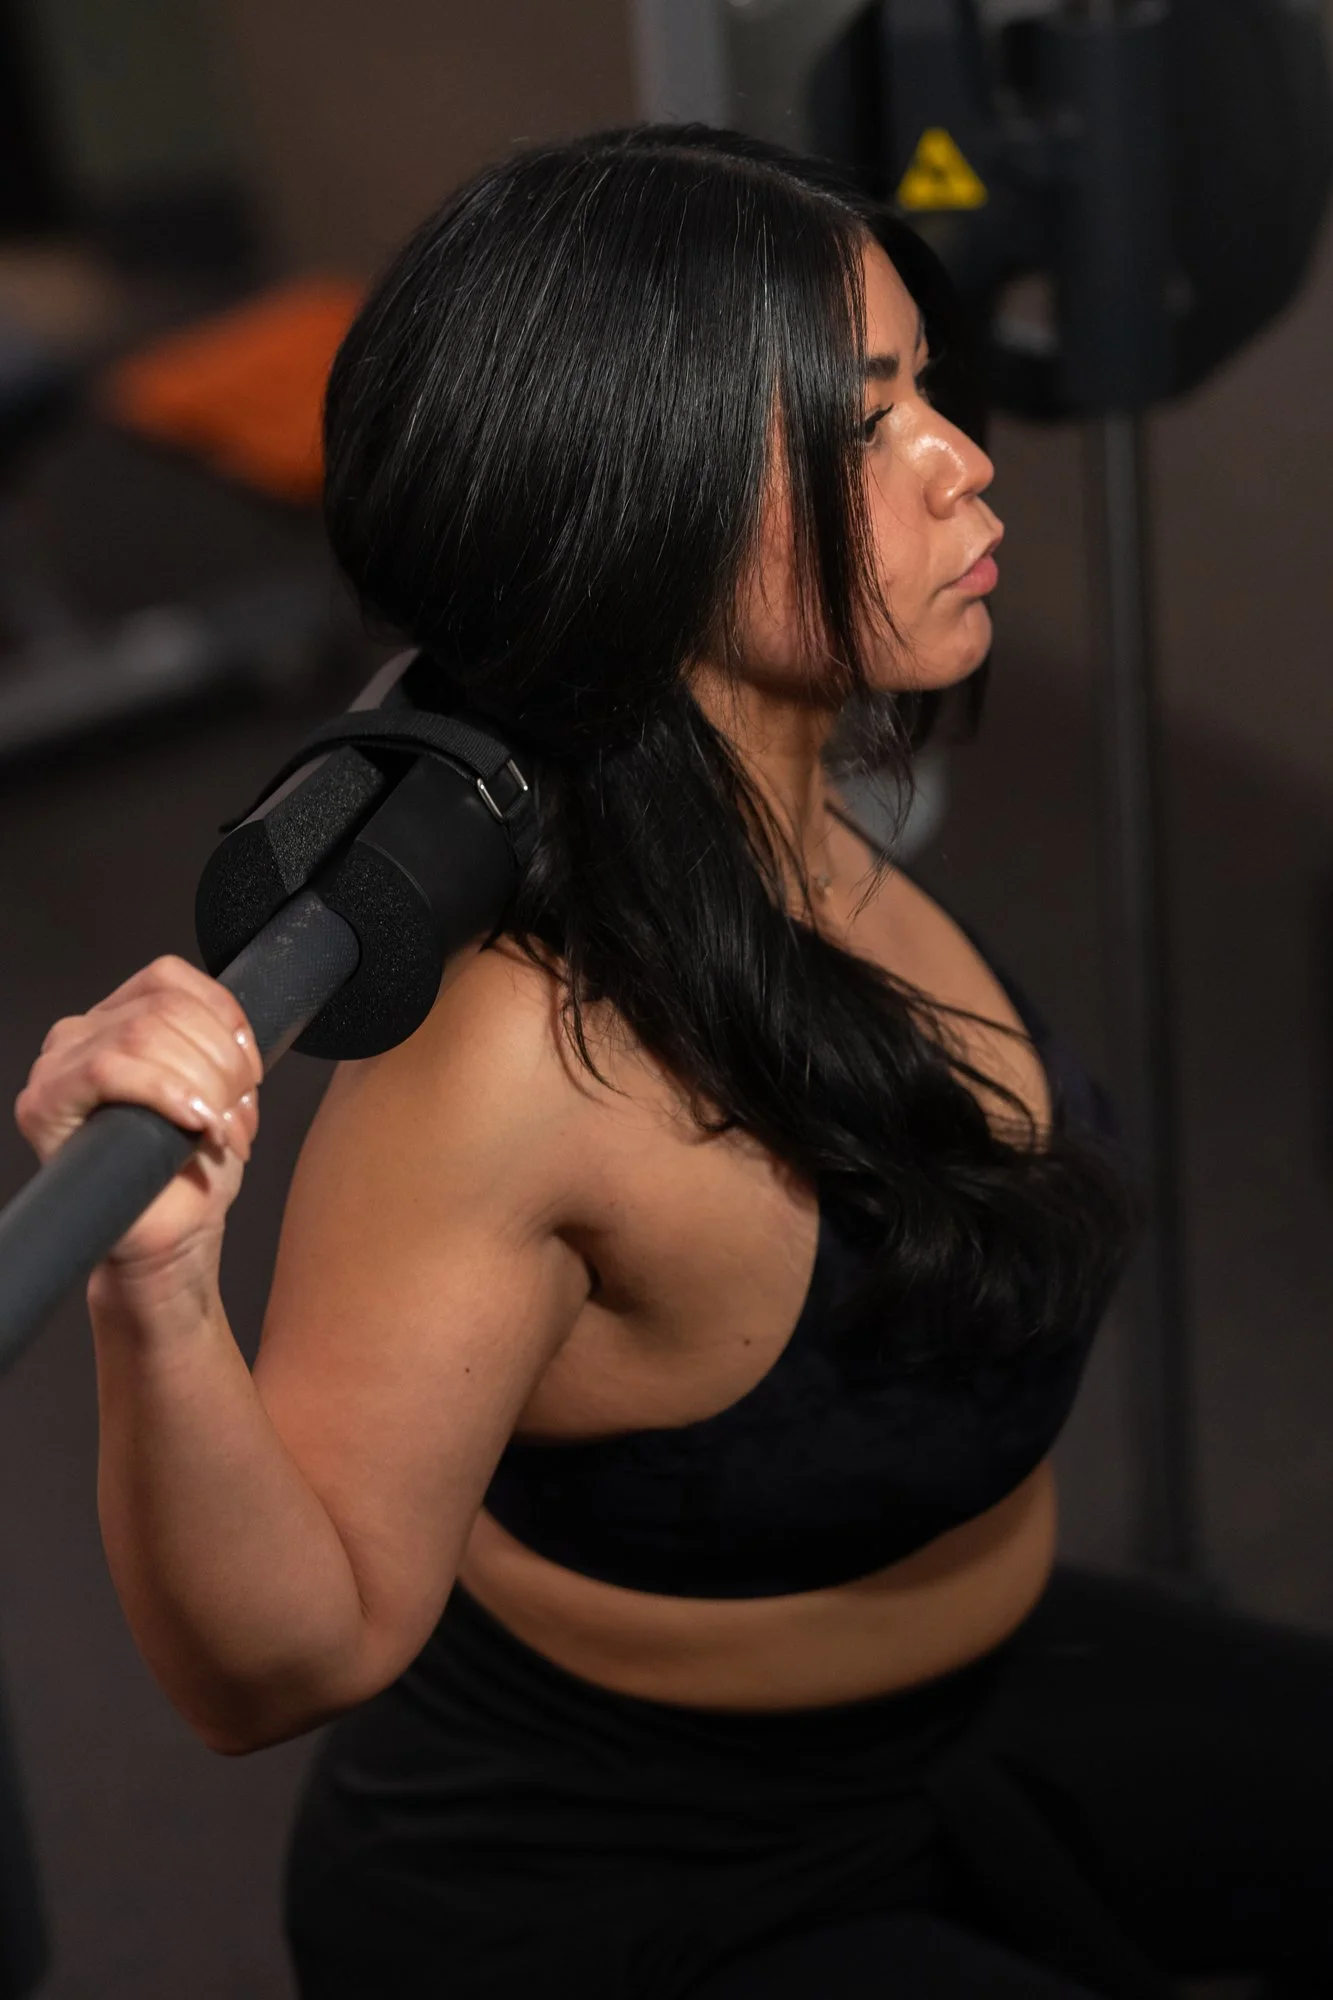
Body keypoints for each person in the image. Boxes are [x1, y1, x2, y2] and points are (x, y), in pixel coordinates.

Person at [15, 126, 1333, 1999]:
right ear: (644, 515)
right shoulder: (517, 1066)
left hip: (976, 1698)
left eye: (926, 389)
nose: (961, 459)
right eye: (865, 423)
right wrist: (156, 1295)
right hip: (626, 1883)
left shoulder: (792, 815)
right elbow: (280, 1664)